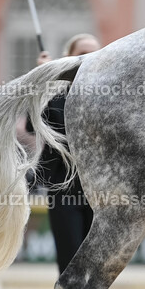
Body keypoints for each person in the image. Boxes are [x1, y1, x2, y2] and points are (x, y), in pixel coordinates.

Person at [37, 33, 100, 274]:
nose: (87, 59)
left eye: (93, 54)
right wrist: (44, 82)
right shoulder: (53, 91)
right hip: (63, 187)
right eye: (82, 53)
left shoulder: (105, 95)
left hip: (97, 188)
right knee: (70, 261)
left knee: (93, 265)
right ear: (68, 58)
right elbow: (37, 126)